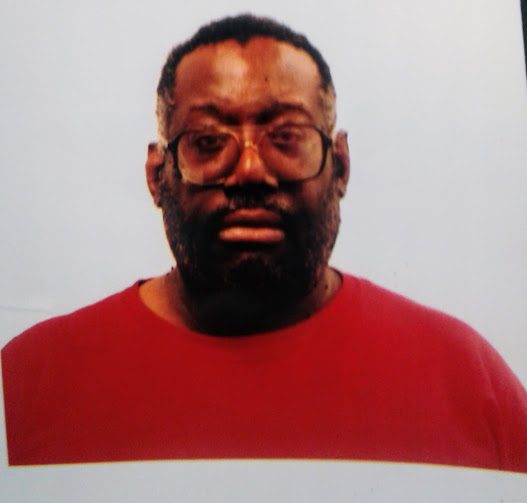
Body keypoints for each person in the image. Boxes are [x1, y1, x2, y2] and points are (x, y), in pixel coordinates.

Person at [2, 14, 527, 471]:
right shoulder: (27, 385)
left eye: (286, 137)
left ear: (341, 166)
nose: (250, 170)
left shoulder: (467, 381)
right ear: (157, 176)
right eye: (208, 141)